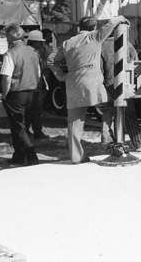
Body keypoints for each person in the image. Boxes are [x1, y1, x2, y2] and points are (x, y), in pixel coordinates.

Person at [50, 15, 129, 164]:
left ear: (79, 28)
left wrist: (61, 76)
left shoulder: (68, 42)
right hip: (93, 85)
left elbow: (50, 60)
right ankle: (109, 139)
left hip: (73, 85)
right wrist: (122, 18)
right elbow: (111, 24)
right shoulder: (95, 37)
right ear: (94, 27)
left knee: (74, 123)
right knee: (112, 106)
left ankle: (76, 157)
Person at [0, 24, 41, 166]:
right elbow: (39, 73)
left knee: (18, 127)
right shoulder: (33, 52)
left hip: (16, 93)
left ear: (10, 37)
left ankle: (31, 155)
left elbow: (6, 77)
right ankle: (19, 157)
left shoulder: (10, 53)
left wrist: (4, 94)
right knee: (23, 126)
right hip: (32, 93)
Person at [99, 35, 141, 152]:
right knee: (129, 113)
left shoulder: (102, 46)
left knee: (114, 112)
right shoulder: (128, 44)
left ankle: (115, 144)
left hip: (110, 83)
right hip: (126, 82)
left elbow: (100, 69)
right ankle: (138, 143)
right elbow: (136, 63)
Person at [24, 29, 50, 140]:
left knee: (35, 109)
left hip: (37, 83)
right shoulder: (33, 52)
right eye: (40, 42)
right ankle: (32, 131)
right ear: (34, 42)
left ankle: (33, 131)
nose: (41, 43)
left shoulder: (37, 51)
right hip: (33, 84)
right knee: (33, 110)